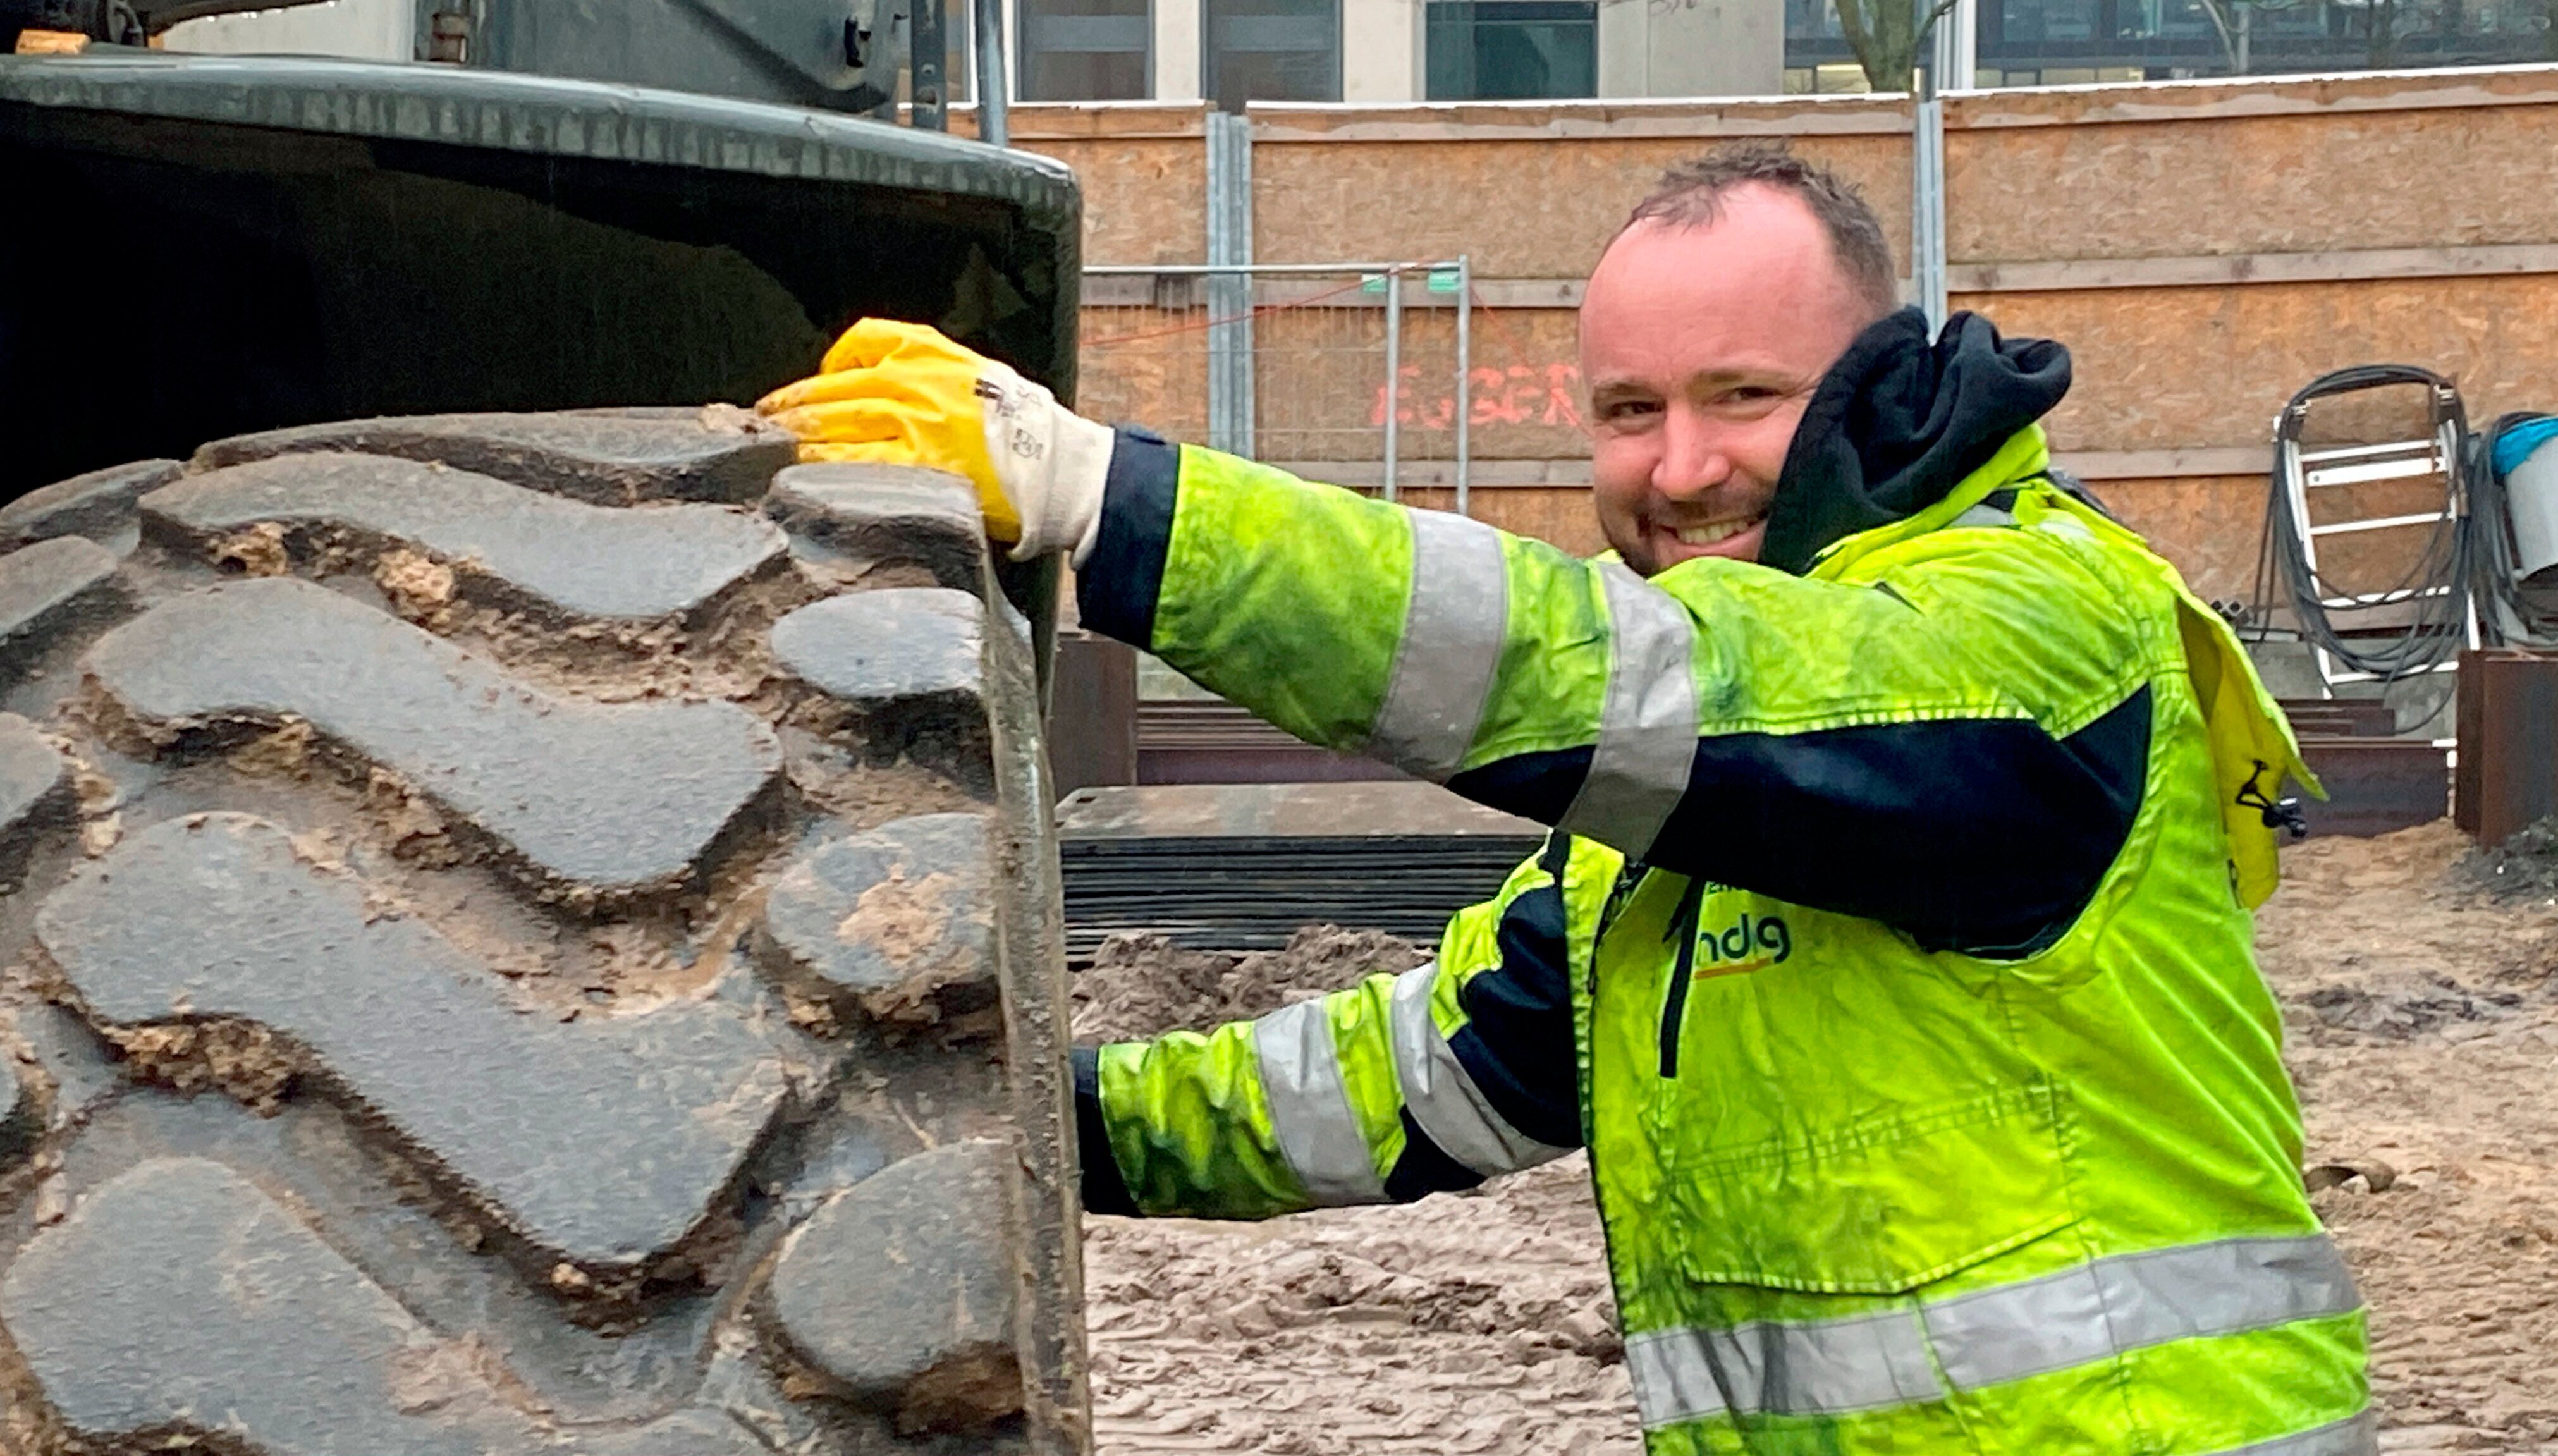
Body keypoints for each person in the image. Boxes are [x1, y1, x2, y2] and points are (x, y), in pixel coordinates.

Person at [756, 142, 2371, 1456]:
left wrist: (1106, 503)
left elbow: (1624, 674)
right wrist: (1026, 1124)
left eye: (1743, 396)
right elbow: (1415, 1080)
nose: (1676, 470)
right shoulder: (1685, 838)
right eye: (1626, 412)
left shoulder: (2025, 625)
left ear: (1877, 380)